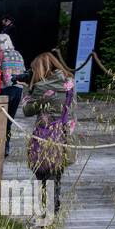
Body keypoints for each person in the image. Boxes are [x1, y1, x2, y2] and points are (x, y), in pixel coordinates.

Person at [24, 51, 77, 214]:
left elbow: (28, 110)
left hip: (45, 133)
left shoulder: (42, 86)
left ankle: (48, 209)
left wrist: (27, 92)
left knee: (42, 172)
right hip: (64, 131)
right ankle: (54, 205)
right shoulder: (69, 82)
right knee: (56, 172)